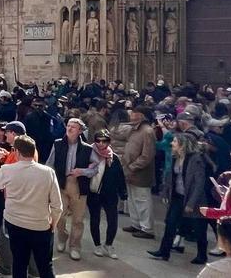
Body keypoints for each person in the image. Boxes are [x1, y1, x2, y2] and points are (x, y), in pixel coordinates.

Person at [0, 135, 61, 278]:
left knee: (19, 263)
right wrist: (53, 223)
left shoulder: (8, 170)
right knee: (45, 266)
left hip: (15, 224)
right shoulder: (48, 173)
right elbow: (57, 205)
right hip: (40, 226)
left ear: (17, 152)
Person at [148, 130, 213, 265]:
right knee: (170, 223)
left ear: (183, 145)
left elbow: (199, 183)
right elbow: (169, 177)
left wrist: (191, 203)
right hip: (178, 197)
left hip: (193, 199)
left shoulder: (196, 159)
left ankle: (202, 255)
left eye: (175, 141)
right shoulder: (175, 157)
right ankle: (164, 251)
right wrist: (165, 192)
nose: (172, 143)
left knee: (199, 227)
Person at [46, 117, 95, 260]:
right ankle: (62, 237)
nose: (69, 128)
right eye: (68, 125)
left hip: (79, 186)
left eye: (73, 127)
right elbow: (50, 163)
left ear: (80, 131)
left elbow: (96, 168)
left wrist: (83, 171)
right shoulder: (58, 144)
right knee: (59, 216)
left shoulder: (87, 148)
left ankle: (75, 246)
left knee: (78, 220)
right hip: (61, 184)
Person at [86, 129, 126, 259]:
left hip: (110, 194)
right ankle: (97, 245)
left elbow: (120, 176)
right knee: (95, 219)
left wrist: (123, 192)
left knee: (112, 220)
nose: (101, 143)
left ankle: (109, 244)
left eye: (104, 141)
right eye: (98, 140)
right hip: (94, 193)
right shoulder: (89, 154)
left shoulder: (114, 158)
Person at [122, 105, 157, 240]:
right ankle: (136, 224)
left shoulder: (147, 131)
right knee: (132, 199)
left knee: (142, 200)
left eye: (135, 113)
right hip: (130, 170)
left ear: (141, 116)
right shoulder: (134, 130)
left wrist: (133, 166)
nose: (131, 115)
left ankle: (147, 228)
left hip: (141, 172)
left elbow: (147, 155)